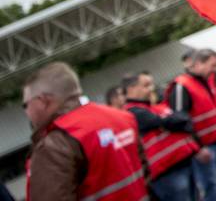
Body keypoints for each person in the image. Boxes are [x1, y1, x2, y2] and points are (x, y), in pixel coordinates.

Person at [24, 62, 147, 201]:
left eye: (25, 105)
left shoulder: (55, 143)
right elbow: (145, 172)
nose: (26, 112)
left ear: (43, 100)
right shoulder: (121, 116)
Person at [122, 71, 204, 201]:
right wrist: (171, 121)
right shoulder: (133, 113)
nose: (151, 89)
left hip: (183, 164)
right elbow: (171, 121)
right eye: (146, 85)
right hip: (167, 173)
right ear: (131, 88)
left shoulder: (152, 108)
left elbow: (183, 120)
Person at [169, 49, 216, 201]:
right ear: (198, 64)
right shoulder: (182, 86)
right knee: (213, 189)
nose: (215, 70)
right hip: (204, 149)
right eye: (212, 65)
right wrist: (197, 148)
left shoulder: (208, 80)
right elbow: (179, 122)